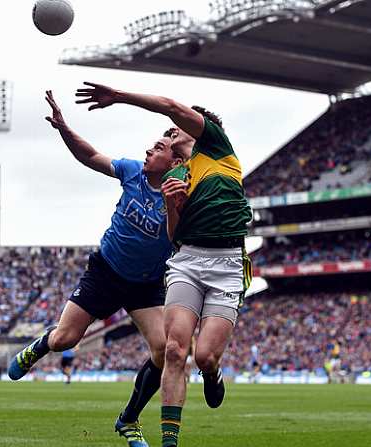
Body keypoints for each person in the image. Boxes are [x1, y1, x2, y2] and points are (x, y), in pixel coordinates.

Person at [7, 90, 194, 447]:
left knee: (165, 351)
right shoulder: (131, 171)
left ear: (174, 161)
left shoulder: (180, 191)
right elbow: (91, 155)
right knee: (65, 339)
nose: (148, 151)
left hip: (146, 284)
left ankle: (129, 419)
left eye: (157, 147)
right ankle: (38, 347)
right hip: (105, 271)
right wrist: (64, 129)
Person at [74, 81, 252, 447]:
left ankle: (213, 373)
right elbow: (174, 236)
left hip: (227, 263)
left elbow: (170, 105)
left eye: (176, 128)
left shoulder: (217, 149)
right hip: (188, 259)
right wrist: (172, 204)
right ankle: (170, 443)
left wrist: (120, 96)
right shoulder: (176, 175)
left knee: (204, 356)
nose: (170, 131)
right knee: (174, 350)